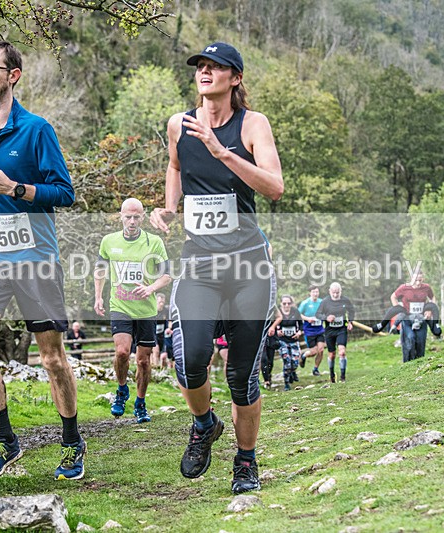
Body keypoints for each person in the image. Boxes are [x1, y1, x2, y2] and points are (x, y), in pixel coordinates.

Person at [149, 41, 283, 494]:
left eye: (215, 67)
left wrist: (223, 152)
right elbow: (174, 167)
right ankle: (204, 424)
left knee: (242, 373)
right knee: (189, 359)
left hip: (248, 264)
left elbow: (275, 187)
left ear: (235, 78)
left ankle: (246, 462)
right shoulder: (178, 125)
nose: (204, 72)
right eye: (200, 67)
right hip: (200, 262)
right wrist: (170, 208)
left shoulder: (253, 124)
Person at [0, 40, 81, 479]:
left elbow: (64, 193)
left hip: (35, 259)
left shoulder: (37, 130)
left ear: (14, 76)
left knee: (51, 358)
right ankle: (5, 440)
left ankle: (71, 442)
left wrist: (17, 189)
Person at [94, 198, 171, 424]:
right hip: (120, 306)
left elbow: (166, 275)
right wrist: (98, 297)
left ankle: (140, 402)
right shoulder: (109, 241)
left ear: (143, 218)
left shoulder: (154, 242)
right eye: (128, 216)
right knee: (122, 352)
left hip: (146, 310)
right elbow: (100, 270)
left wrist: (150, 288)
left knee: (144, 361)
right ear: (121, 216)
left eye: (137, 217)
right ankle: (121, 390)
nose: (132, 221)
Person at [373, 270, 440, 362]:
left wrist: (429, 311)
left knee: (420, 342)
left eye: (420, 280)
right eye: (416, 280)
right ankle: (407, 363)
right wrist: (397, 308)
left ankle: (419, 363)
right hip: (407, 319)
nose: (418, 283)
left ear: (423, 279)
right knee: (410, 340)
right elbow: (393, 296)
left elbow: (432, 298)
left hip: (421, 319)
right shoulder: (404, 288)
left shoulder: (426, 288)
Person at [315, 282, 355, 383]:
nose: (336, 295)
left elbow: (351, 311)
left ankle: (343, 377)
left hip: (341, 329)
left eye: (337, 292)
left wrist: (350, 321)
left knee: (342, 352)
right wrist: (326, 318)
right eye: (333, 293)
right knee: (332, 354)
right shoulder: (325, 301)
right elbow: (318, 314)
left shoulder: (345, 300)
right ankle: (332, 375)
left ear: (340, 291)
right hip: (330, 330)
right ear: (330, 292)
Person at [270, 295, 304, 390]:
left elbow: (301, 324)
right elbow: (273, 324)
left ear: (291, 303)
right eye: (284, 303)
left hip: (294, 340)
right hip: (283, 341)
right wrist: (278, 331)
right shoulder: (278, 313)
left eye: (288, 303)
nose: (286, 305)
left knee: (295, 362)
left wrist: (299, 332)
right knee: (287, 361)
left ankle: (293, 372)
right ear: (281, 304)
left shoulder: (295, 311)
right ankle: (286, 383)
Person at [297, 285, 326, 376]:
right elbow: (298, 314)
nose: (315, 294)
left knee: (321, 350)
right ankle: (303, 356)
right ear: (310, 293)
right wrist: (307, 319)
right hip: (309, 330)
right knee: (313, 352)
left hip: (319, 329)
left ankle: (315, 369)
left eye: (317, 292)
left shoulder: (321, 302)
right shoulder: (305, 303)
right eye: (314, 292)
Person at [154, 293, 171, 369]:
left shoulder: (166, 310)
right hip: (154, 334)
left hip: (163, 335)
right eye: (160, 301)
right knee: (156, 351)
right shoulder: (153, 310)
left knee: (163, 355)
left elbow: (170, 321)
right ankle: (155, 368)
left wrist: (169, 328)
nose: (161, 304)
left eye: (163, 302)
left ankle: (162, 370)